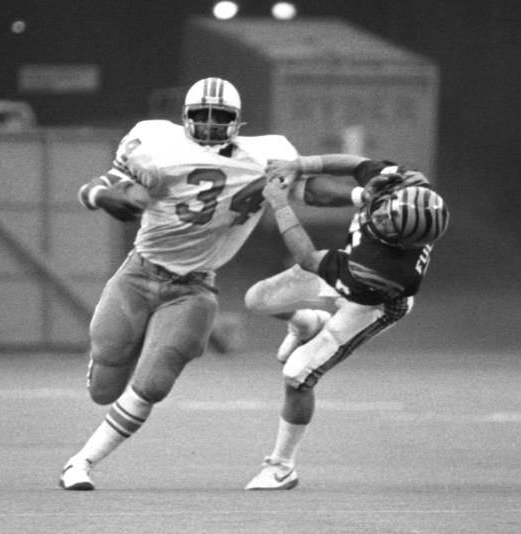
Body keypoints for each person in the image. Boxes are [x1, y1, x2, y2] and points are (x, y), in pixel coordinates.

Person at [59, 78, 356, 490]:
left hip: (194, 287)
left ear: (239, 121)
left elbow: (311, 190)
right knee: (104, 388)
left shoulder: (265, 154)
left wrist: (360, 196)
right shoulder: (155, 143)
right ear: (186, 117)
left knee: (153, 384)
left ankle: (80, 463)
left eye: (222, 116)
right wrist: (101, 198)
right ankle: (110, 357)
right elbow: (100, 186)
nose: (212, 123)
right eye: (203, 115)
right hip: (139, 273)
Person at [243, 154, 450, 490]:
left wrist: (279, 204)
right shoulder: (408, 184)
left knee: (297, 374)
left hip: (372, 302)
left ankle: (281, 466)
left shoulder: (384, 268)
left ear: (401, 242)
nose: (379, 217)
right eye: (385, 210)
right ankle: (307, 324)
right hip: (347, 267)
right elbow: (358, 164)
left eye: (387, 225)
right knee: (259, 299)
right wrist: (300, 164)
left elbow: (308, 259)